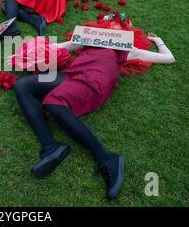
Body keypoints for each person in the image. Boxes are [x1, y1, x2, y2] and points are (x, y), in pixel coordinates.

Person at [12, 13, 175, 200]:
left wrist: (159, 41)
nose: (113, 27)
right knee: (22, 85)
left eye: (119, 25)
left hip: (96, 78)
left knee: (53, 101)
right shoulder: (88, 40)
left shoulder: (125, 48)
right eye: (110, 23)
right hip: (72, 73)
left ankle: (106, 158)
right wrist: (25, 52)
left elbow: (168, 58)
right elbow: (57, 46)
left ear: (126, 30)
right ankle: (51, 146)